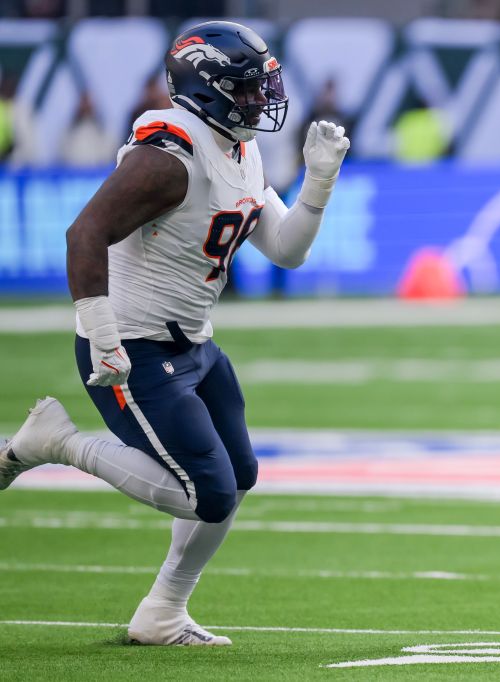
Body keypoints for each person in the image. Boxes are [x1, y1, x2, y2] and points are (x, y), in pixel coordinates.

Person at [0, 21, 349, 646]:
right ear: (208, 88)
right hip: (133, 344)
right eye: (246, 88)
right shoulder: (169, 155)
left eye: (262, 85)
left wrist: (318, 183)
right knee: (206, 493)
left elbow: (285, 250)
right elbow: (85, 234)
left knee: (238, 477)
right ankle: (56, 442)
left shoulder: (237, 146)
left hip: (191, 340)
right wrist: (101, 334)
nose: (260, 99)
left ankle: (162, 613)